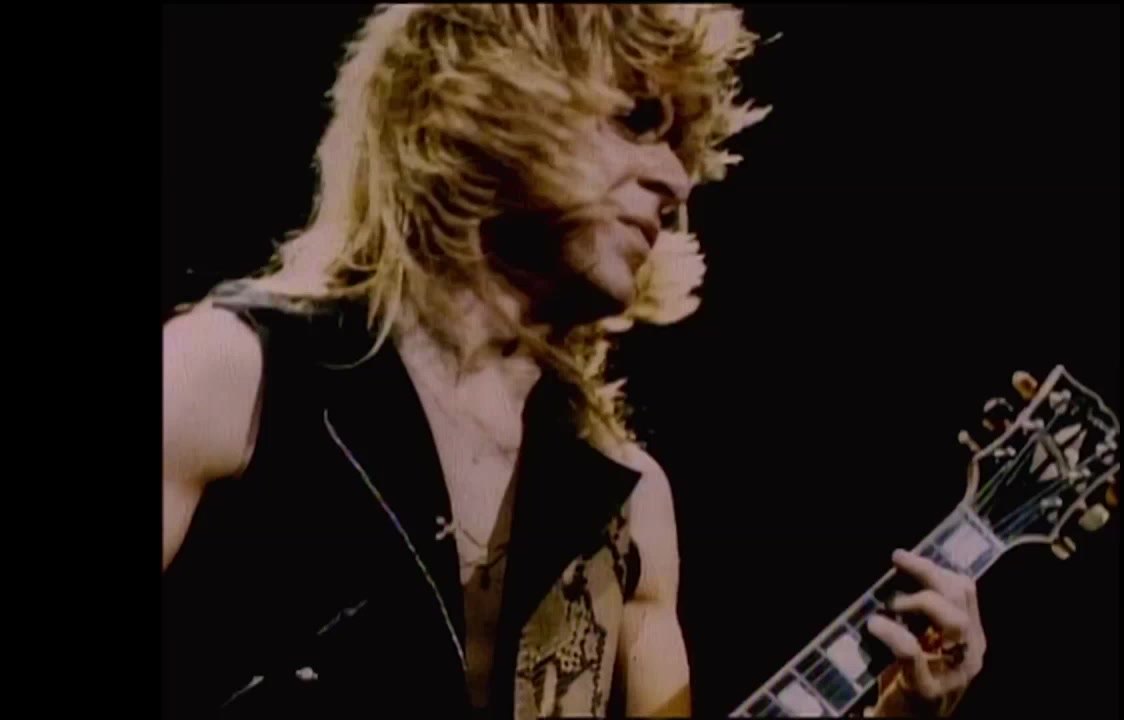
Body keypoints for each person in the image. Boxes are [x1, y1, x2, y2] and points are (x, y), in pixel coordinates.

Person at [162, 5, 987, 718]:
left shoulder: (627, 505)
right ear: (487, 95)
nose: (676, 181)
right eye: (638, 121)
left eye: (683, 146)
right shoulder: (223, 377)